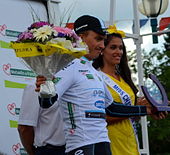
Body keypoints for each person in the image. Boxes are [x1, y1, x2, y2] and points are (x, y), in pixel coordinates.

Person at [35, 15, 155, 155]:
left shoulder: (94, 71)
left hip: (103, 142)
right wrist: (45, 89)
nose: (102, 46)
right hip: (81, 144)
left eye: (103, 41)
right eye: (98, 39)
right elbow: (47, 103)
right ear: (81, 37)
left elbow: (110, 108)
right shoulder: (68, 66)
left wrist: (146, 110)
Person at [92, 27, 168, 155]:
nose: (118, 52)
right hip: (110, 144)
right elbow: (100, 116)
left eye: (121, 48)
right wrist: (139, 109)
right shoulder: (95, 77)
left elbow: (132, 115)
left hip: (130, 144)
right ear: (102, 50)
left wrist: (153, 108)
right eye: (113, 47)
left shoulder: (124, 79)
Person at [18, 85, 66, 155]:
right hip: (48, 150)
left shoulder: (71, 85)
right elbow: (24, 128)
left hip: (73, 148)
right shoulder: (35, 87)